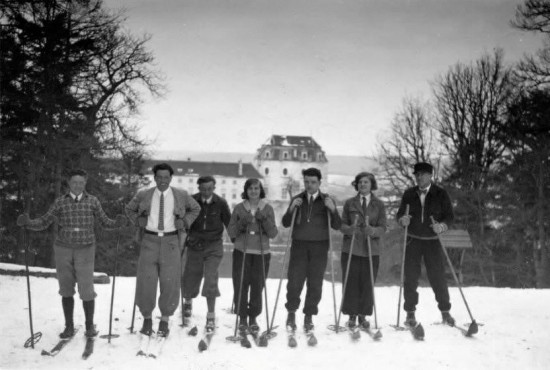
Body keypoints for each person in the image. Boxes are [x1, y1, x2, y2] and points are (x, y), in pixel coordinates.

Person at [16, 169, 127, 339]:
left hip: (86, 248)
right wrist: (28, 223)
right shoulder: (60, 202)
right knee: (66, 287)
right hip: (63, 248)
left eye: (81, 182)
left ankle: (89, 326)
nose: (78, 185)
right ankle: (69, 326)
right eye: (74, 182)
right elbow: (44, 221)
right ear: (69, 183)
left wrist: (117, 223)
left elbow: (105, 222)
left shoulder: (93, 201)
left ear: (85, 183)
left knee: (86, 288)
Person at [126, 163, 200, 337]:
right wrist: (138, 220)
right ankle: (147, 319)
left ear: (171, 178)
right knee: (146, 281)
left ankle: (165, 320)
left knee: (170, 282)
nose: (162, 181)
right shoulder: (144, 194)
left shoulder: (180, 195)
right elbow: (129, 209)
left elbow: (196, 208)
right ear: (155, 178)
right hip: (149, 240)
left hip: (171, 241)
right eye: (159, 177)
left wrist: (186, 221)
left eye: (166, 177)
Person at [395, 162, 455, 327]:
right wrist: (402, 220)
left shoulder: (440, 194)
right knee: (411, 277)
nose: (418, 177)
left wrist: (441, 226)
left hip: (432, 241)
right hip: (413, 239)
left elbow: (449, 217)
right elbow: (400, 214)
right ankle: (410, 314)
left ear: (430, 176)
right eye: (416, 174)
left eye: (422, 174)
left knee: (438, 277)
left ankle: (445, 312)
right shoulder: (409, 194)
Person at [281, 167, 341, 331]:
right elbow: (286, 223)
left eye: (313, 182)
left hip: (320, 246)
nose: (309, 185)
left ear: (319, 183)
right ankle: (291, 313)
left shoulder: (327, 200)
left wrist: (333, 209)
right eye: (306, 182)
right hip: (299, 245)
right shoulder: (298, 199)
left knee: (315, 283)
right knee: (294, 281)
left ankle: (308, 316)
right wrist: (292, 207)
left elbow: (337, 225)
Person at [227, 178, 278, 332]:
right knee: (240, 284)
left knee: (257, 286)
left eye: (256, 188)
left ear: (260, 190)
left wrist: (264, 220)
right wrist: (243, 222)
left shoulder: (267, 208)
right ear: (246, 191)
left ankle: (253, 317)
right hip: (242, 251)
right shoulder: (239, 208)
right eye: (250, 188)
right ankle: (242, 317)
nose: (253, 191)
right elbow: (231, 232)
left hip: (261, 252)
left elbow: (273, 233)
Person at [182, 175, 231, 331]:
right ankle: (188, 302)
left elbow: (229, 224)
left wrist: (239, 239)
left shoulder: (221, 203)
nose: (206, 192)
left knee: (211, 277)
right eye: (203, 189)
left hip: (214, 246)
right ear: (199, 188)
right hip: (195, 245)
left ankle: (211, 315)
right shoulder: (191, 201)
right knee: (191, 276)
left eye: (209, 189)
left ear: (214, 188)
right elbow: (185, 222)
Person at [339, 172, 387, 329]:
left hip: (370, 250)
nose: (362, 185)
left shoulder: (378, 204)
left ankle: (363, 315)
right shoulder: (349, 203)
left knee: (367, 283)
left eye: (366, 182)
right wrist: (350, 229)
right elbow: (342, 225)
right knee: (351, 282)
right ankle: (352, 315)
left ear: (372, 184)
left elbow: (383, 227)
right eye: (360, 182)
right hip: (351, 249)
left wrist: (372, 231)